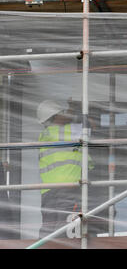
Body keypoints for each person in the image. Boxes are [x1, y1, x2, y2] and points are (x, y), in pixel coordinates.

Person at [36, 99, 92, 238]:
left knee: (49, 227)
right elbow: (90, 126)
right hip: (67, 188)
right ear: (56, 116)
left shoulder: (43, 136)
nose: (66, 115)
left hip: (48, 192)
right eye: (63, 113)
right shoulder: (70, 130)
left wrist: (71, 109)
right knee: (65, 228)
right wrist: (78, 108)